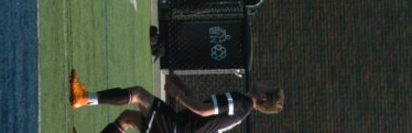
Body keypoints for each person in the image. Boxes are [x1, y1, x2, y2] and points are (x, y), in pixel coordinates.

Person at [69, 69, 284, 133]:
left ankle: (83, 98)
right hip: (179, 127)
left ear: (263, 97)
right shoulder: (242, 107)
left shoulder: (241, 102)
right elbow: (203, 108)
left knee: (138, 94)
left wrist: (177, 94)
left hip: (178, 129)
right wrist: (182, 86)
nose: (265, 83)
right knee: (127, 119)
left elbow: (202, 111)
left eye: (268, 87)